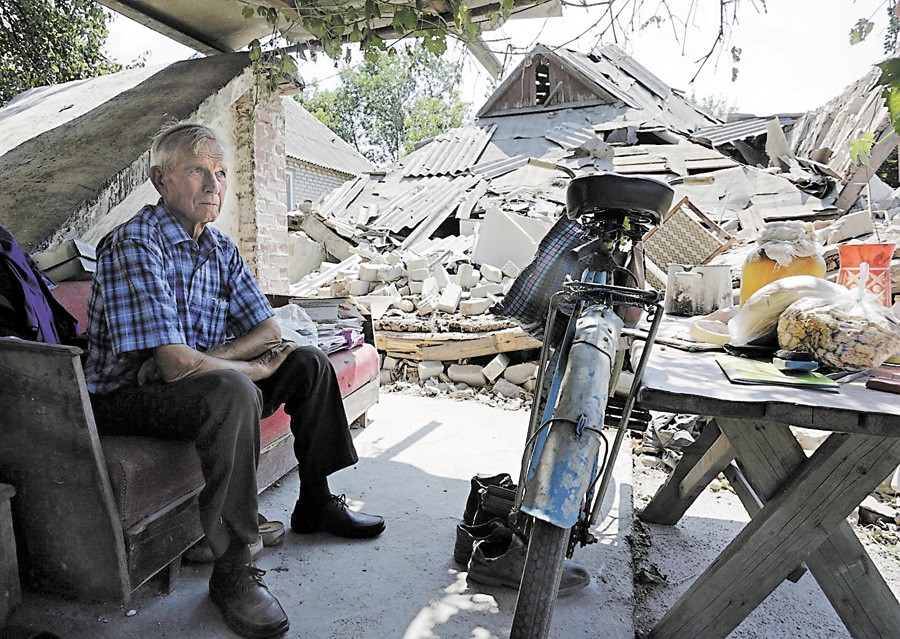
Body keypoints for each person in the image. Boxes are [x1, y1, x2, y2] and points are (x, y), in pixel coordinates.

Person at [83, 122, 384, 638]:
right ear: (159, 179)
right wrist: (246, 367)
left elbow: (267, 328)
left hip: (189, 377)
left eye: (220, 172)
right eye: (197, 169)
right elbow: (172, 368)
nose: (213, 184)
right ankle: (234, 567)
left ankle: (315, 498)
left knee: (307, 361)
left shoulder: (218, 247)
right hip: (126, 393)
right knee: (236, 389)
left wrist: (222, 358)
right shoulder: (135, 243)